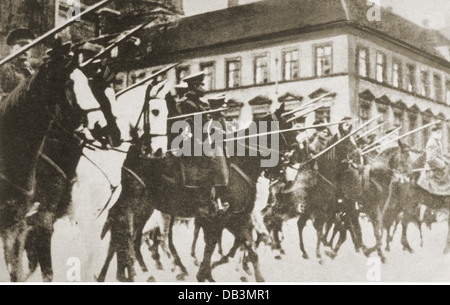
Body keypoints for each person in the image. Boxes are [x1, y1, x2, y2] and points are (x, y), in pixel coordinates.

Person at [178, 72, 230, 212]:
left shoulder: (199, 103)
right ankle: (209, 198)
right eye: (201, 85)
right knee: (214, 159)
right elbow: (191, 126)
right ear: (195, 86)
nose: (204, 87)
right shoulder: (188, 104)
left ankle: (218, 195)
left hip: (200, 139)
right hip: (191, 141)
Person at [0, 28, 35, 102]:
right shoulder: (3, 67)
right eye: (22, 45)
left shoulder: (30, 69)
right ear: (12, 48)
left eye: (29, 47)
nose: (26, 50)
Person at [417, 121, 450, 196]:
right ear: (434, 133)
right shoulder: (432, 143)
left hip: (437, 167)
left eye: (441, 133)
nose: (440, 135)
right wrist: (443, 165)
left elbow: (439, 156)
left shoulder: (438, 142)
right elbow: (431, 159)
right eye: (438, 133)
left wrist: (447, 161)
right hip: (432, 169)